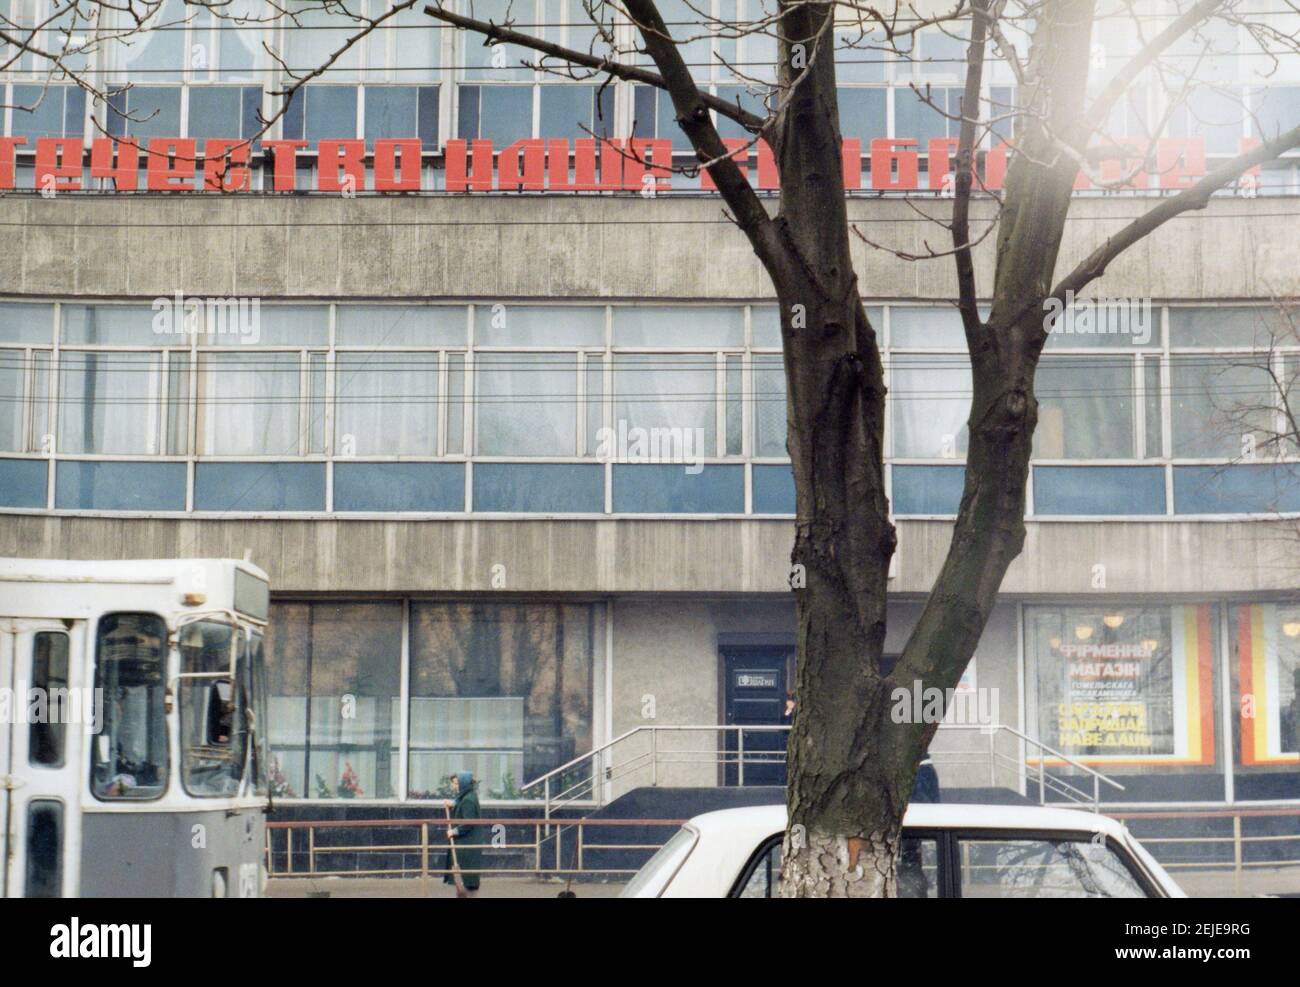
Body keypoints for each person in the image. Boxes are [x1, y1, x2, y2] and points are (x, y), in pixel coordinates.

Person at [444, 771, 484, 896]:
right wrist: (453, 803)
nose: (454, 786)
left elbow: (468, 823)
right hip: (467, 843)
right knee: (466, 879)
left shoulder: (468, 800)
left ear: (463, 784)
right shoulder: (469, 796)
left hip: (467, 844)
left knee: (466, 879)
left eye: (456, 783)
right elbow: (461, 801)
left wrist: (453, 831)